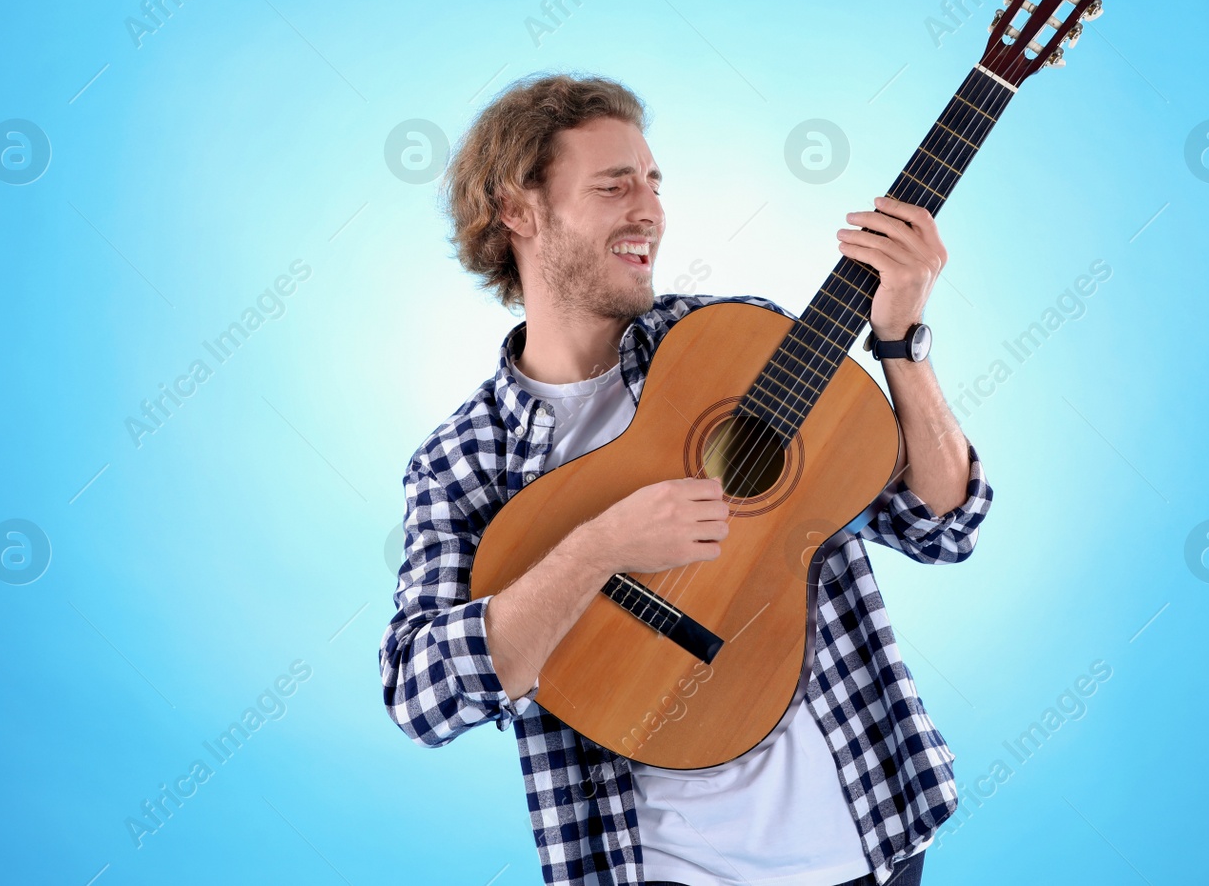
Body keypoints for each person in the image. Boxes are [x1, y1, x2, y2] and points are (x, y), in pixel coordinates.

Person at [379, 73, 993, 886]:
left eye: (654, 182)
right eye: (613, 185)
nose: (649, 210)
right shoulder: (466, 457)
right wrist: (599, 545)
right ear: (517, 211)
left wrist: (902, 338)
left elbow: (941, 527)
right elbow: (422, 695)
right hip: (658, 866)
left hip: (871, 834)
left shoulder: (735, 344)